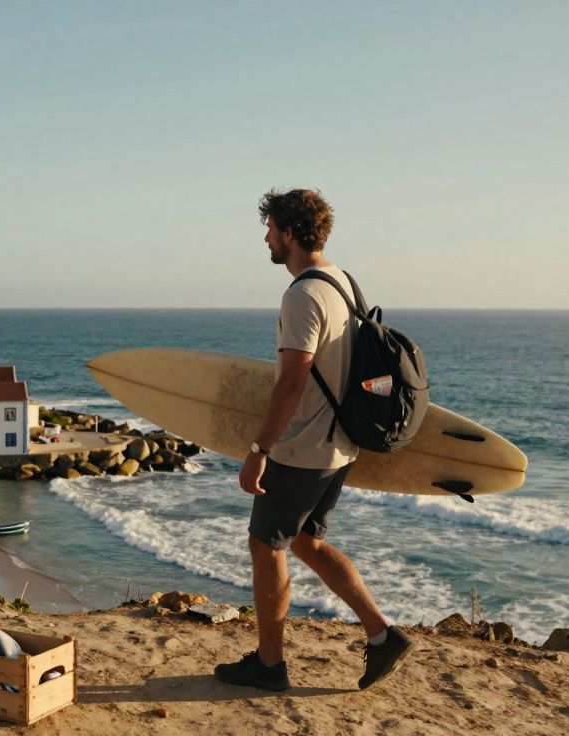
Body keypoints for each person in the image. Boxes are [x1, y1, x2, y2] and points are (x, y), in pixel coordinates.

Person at [214, 188, 412, 693]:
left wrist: (258, 452)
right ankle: (381, 635)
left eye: (272, 229)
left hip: (303, 449)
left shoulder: (302, 294)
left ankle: (269, 664)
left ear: (292, 234)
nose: (266, 237)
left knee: (266, 545)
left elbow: (292, 382)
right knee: (306, 541)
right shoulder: (343, 282)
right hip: (340, 445)